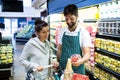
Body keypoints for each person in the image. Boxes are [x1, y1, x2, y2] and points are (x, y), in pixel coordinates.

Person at [57, 4, 91, 75]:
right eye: (66, 19)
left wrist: (81, 61)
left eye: (71, 19)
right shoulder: (62, 31)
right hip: (63, 68)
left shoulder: (83, 33)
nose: (69, 21)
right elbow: (59, 49)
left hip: (77, 69)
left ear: (77, 17)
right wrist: (58, 63)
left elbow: (87, 54)